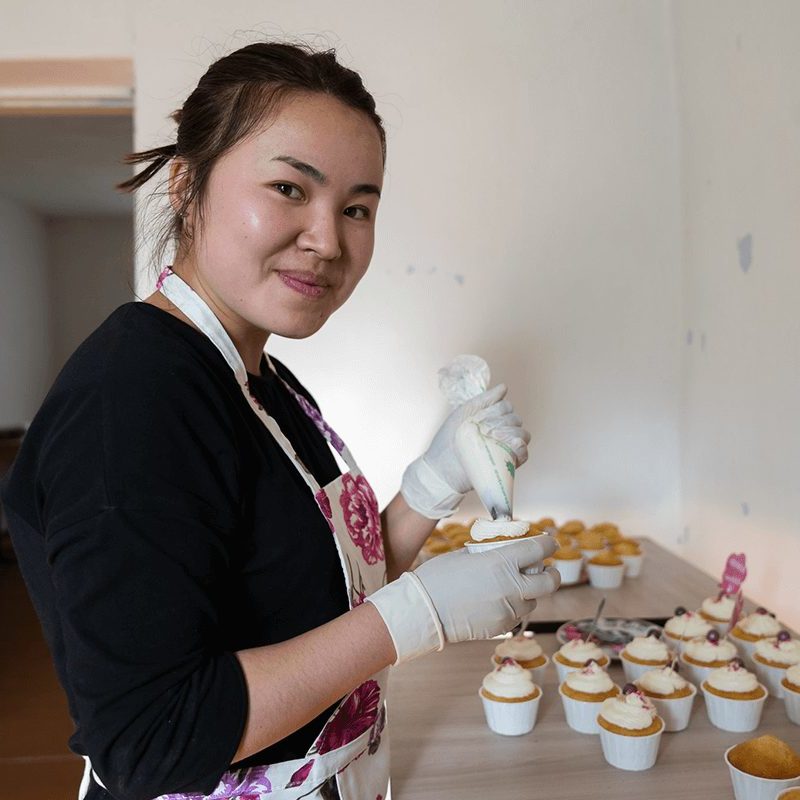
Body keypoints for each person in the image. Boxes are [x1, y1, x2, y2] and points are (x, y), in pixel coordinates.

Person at [0, 41, 560, 800]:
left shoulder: (257, 374)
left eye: (357, 208)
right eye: (291, 188)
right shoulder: (133, 398)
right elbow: (151, 737)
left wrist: (434, 484)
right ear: (186, 186)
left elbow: (318, 589)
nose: (329, 240)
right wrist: (419, 614)